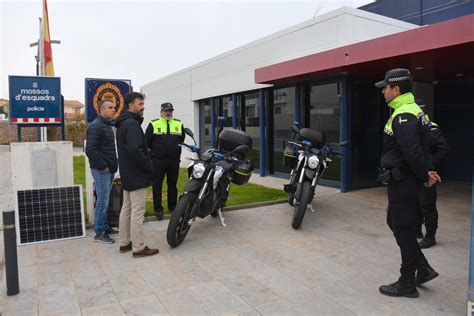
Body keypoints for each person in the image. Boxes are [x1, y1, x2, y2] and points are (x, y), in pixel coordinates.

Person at [375, 68, 441, 298]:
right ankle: (422, 268)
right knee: (394, 221)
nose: (383, 91)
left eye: (386, 87)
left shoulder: (404, 115)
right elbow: (422, 148)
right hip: (404, 180)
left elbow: (413, 152)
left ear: (396, 89)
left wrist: (425, 175)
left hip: (403, 182)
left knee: (404, 230)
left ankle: (407, 283)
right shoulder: (408, 111)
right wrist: (427, 171)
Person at [115, 92, 159, 257]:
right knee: (137, 211)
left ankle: (124, 243)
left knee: (126, 209)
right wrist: (148, 166)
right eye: (140, 104)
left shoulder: (123, 123)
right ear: (130, 105)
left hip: (127, 173)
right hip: (136, 174)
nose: (143, 107)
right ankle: (138, 247)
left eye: (143, 104)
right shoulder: (132, 124)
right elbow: (135, 150)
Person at [85, 100, 119, 244]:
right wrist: (103, 166)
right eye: (110, 108)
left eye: (114, 107)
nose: (113, 110)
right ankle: (99, 233)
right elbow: (90, 150)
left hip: (109, 169)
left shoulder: (106, 125)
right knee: (102, 202)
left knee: (105, 200)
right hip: (102, 170)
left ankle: (105, 227)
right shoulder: (96, 126)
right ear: (102, 110)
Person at [145, 102, 185, 220]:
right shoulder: (153, 124)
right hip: (158, 161)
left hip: (174, 161)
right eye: (166, 111)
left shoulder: (178, 123)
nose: (168, 113)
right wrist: (151, 156)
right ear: (161, 112)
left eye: (170, 111)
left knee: (172, 185)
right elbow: (147, 141)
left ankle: (172, 207)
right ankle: (158, 209)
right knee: (157, 185)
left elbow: (181, 138)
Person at [416, 117, 450, 249]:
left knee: (427, 205)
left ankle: (430, 236)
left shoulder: (431, 127)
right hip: (415, 173)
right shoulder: (412, 127)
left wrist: (429, 166)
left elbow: (443, 148)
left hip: (427, 174)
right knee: (415, 203)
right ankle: (417, 231)